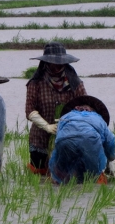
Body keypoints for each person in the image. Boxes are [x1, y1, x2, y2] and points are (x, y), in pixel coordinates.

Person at [25, 42, 87, 174]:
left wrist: (70, 121)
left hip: (69, 136)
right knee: (40, 178)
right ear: (46, 63)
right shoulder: (36, 83)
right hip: (40, 138)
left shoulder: (75, 84)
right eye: (53, 62)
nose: (57, 66)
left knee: (66, 175)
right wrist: (47, 126)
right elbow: (29, 110)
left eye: (60, 63)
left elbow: (86, 106)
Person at [49, 95, 115, 185]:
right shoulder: (98, 118)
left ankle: (63, 184)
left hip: (64, 141)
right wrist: (111, 157)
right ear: (92, 109)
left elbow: (58, 137)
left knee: (64, 174)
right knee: (93, 175)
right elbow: (110, 141)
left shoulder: (66, 116)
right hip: (89, 140)